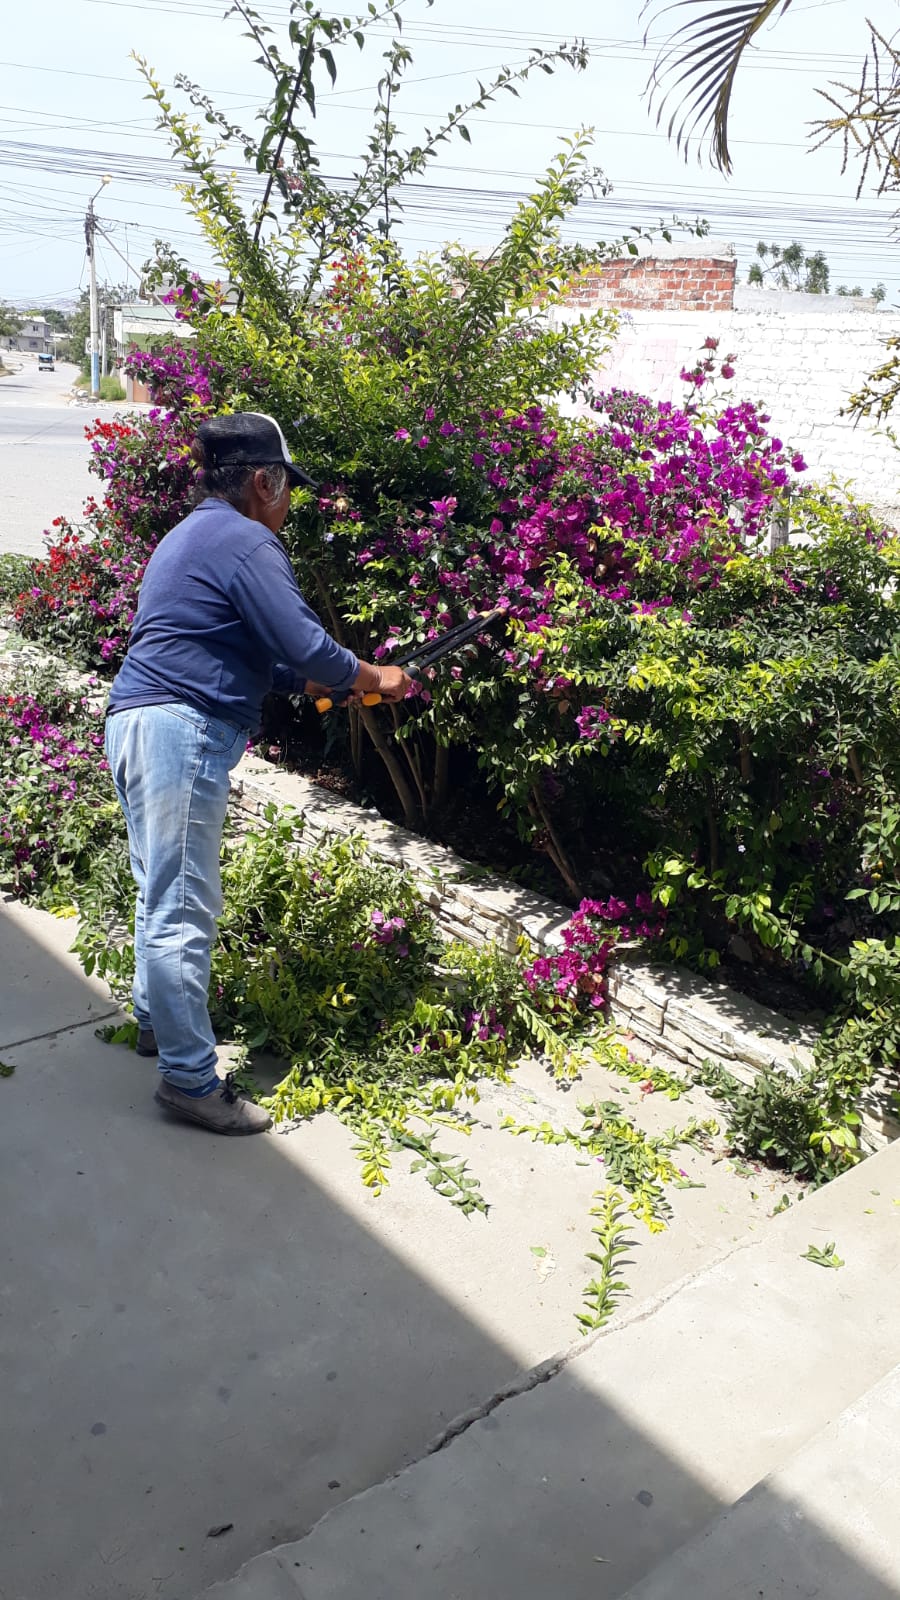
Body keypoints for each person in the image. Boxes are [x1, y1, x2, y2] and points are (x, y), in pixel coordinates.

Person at [104, 412, 411, 1135]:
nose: (289, 502)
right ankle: (189, 1081)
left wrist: (312, 684)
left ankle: (154, 1024)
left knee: (160, 890)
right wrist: (376, 677)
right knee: (182, 907)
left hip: (136, 720)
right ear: (264, 482)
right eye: (287, 487)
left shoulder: (189, 535)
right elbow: (305, 641)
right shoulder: (248, 541)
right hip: (180, 729)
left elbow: (233, 647)